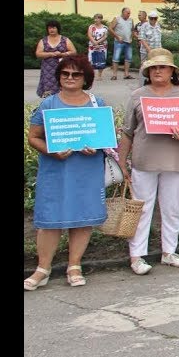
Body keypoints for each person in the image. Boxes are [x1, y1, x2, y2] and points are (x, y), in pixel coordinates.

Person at [116, 48, 179, 275]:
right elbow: (128, 131)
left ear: (171, 70)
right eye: (153, 67)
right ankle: (137, 256)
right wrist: (121, 161)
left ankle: (169, 251)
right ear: (147, 71)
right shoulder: (138, 95)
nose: (157, 71)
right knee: (141, 210)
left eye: (162, 67)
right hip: (144, 161)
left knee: (172, 208)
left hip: (174, 160)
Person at [24, 55, 106, 290]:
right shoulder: (48, 104)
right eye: (65, 74)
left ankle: (74, 265)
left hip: (86, 168)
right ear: (59, 77)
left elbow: (104, 138)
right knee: (50, 218)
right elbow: (33, 137)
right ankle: (43, 269)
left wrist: (97, 147)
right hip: (56, 168)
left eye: (76, 74)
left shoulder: (96, 103)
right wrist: (52, 151)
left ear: (86, 78)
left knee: (83, 215)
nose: (70, 78)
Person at [35, 20, 78, 98]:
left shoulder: (65, 40)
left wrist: (63, 54)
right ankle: (49, 103)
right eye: (50, 28)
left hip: (63, 67)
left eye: (54, 28)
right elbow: (38, 53)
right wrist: (51, 54)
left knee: (63, 85)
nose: (52, 30)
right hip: (48, 70)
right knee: (48, 88)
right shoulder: (43, 41)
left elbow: (74, 51)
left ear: (57, 28)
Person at [109, 7, 135, 80]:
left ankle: (126, 74)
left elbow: (132, 30)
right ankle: (114, 75)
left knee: (128, 58)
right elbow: (110, 28)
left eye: (129, 13)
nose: (129, 14)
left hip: (128, 42)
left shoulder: (131, 20)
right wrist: (117, 37)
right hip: (119, 42)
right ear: (123, 12)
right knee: (116, 58)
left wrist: (132, 37)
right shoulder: (117, 19)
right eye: (128, 13)